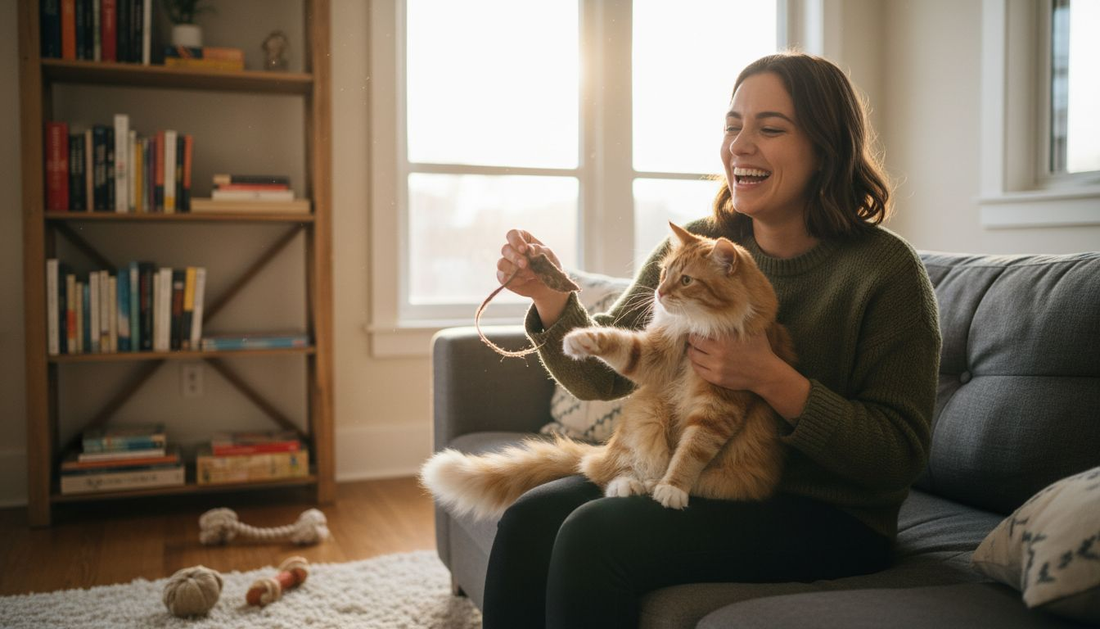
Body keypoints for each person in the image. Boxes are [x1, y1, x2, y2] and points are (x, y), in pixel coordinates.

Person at [486, 51, 941, 629]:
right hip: (698, 479)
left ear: (826, 149)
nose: (740, 146)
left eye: (769, 129)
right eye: (732, 126)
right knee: (528, 519)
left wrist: (771, 377)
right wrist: (549, 297)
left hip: (829, 515)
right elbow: (600, 378)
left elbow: (898, 456)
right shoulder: (695, 246)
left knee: (593, 536)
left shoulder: (886, 272)